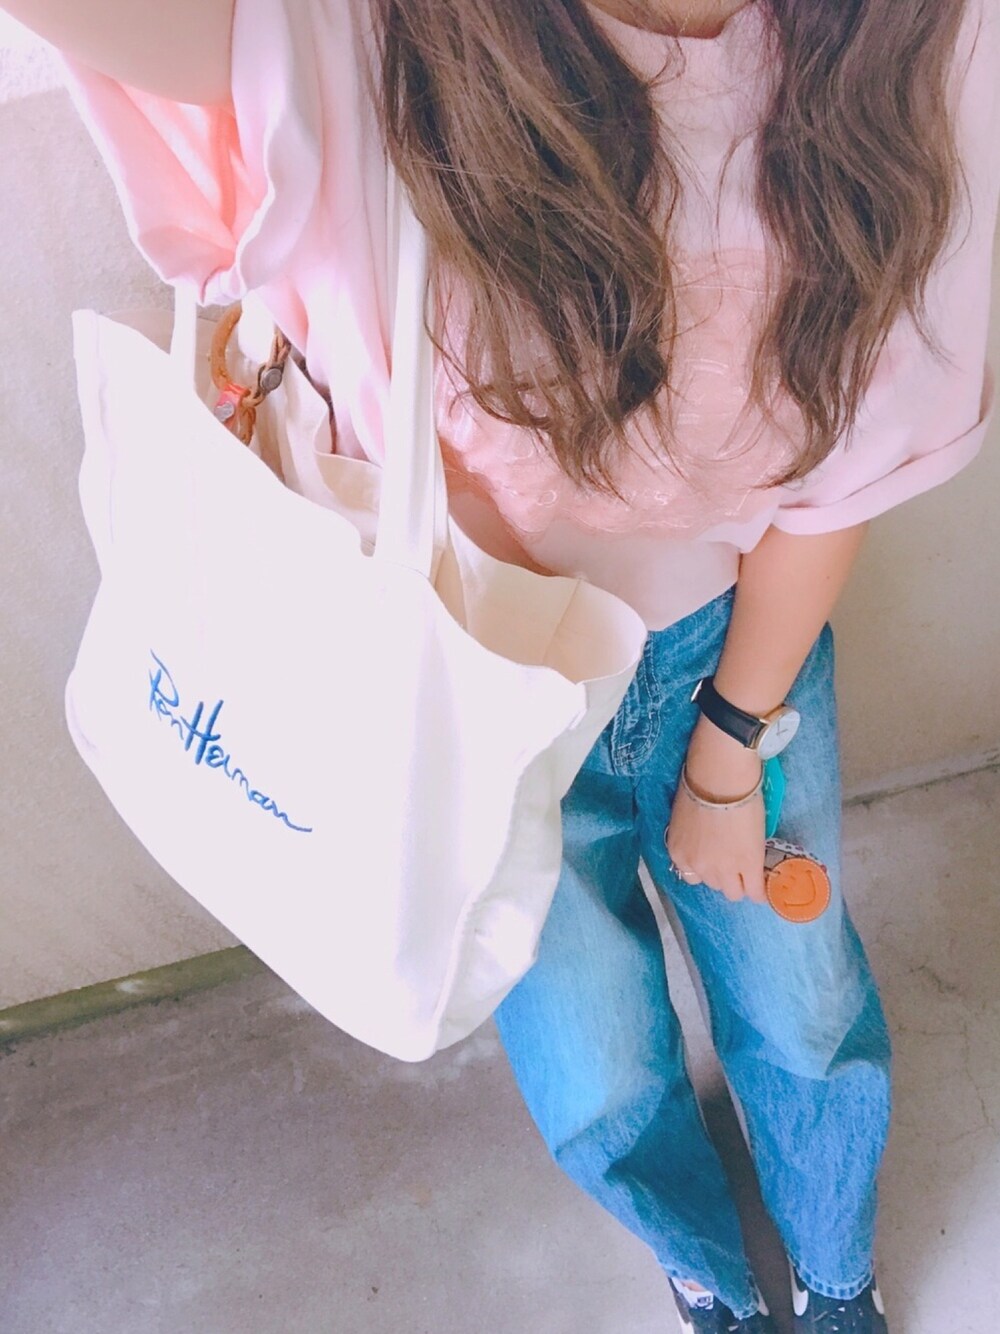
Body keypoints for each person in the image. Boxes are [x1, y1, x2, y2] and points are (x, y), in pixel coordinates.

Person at [6, 0, 998, 1328]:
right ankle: (708, 1272)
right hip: (459, 691)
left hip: (738, 651)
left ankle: (833, 1271)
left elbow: (857, 457)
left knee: (802, 1011)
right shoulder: (360, 35)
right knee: (597, 1071)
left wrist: (727, 748)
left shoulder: (916, 39)